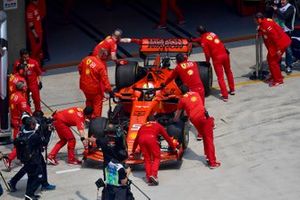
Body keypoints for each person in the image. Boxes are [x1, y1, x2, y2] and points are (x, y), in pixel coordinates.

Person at [173, 85, 220, 169]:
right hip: (204, 118)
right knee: (209, 139)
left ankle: (208, 156)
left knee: (205, 138)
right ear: (189, 89)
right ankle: (212, 162)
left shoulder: (182, 100)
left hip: (194, 120)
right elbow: (199, 105)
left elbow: (178, 114)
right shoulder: (196, 94)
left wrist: (174, 121)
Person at [8, 111, 56, 193]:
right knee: (33, 170)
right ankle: (31, 190)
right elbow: (44, 142)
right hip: (32, 153)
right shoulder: (33, 131)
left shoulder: (25, 126)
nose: (37, 123)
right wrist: (49, 131)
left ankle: (44, 184)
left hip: (28, 152)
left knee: (37, 166)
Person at [192, 26, 235, 102]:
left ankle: (225, 96)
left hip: (217, 58)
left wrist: (207, 62)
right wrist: (196, 40)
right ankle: (232, 90)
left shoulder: (203, 41)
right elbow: (207, 39)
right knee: (228, 72)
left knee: (220, 77)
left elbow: (207, 54)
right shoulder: (212, 33)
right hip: (225, 54)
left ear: (199, 33)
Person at [131, 116, 176, 185]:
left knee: (147, 159)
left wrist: (133, 151)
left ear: (147, 121)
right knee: (157, 157)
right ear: (155, 120)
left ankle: (149, 178)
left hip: (141, 140)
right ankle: (154, 175)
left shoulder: (142, 126)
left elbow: (136, 140)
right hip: (151, 139)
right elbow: (167, 137)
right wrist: (173, 147)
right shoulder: (158, 125)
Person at [13, 115, 50, 200]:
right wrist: (48, 132)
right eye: (35, 124)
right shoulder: (34, 136)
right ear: (32, 125)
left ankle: (29, 195)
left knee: (31, 177)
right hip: (34, 161)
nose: (36, 125)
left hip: (25, 160)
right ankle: (29, 195)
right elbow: (45, 143)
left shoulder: (21, 133)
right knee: (39, 177)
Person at [254, 12, 291, 86]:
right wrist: (259, 30)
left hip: (280, 44)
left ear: (259, 19)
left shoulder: (266, 25)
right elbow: (264, 32)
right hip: (276, 45)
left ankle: (278, 80)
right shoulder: (265, 22)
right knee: (270, 60)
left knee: (273, 62)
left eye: (255, 20)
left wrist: (278, 49)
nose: (254, 21)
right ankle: (274, 76)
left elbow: (275, 37)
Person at [3, 81, 32, 170]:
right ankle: (9, 159)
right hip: (20, 123)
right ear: (23, 88)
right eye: (25, 86)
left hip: (14, 121)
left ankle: (21, 157)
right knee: (21, 143)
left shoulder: (12, 95)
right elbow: (25, 112)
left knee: (18, 141)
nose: (26, 87)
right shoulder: (21, 99)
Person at [78, 51, 112, 118]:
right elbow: (105, 80)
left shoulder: (86, 59)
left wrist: (85, 77)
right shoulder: (101, 66)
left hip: (84, 86)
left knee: (89, 100)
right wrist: (109, 90)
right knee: (97, 104)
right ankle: (96, 119)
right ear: (104, 56)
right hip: (94, 89)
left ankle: (88, 116)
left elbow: (80, 68)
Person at [272, 0, 296, 74]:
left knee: (288, 50)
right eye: (281, 0)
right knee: (278, 49)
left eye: (284, 0)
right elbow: (273, 16)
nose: (282, 1)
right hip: (278, 32)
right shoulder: (278, 6)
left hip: (287, 32)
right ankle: (278, 64)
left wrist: (276, 10)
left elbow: (284, 16)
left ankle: (288, 66)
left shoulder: (291, 8)